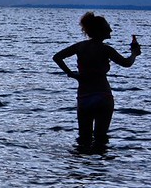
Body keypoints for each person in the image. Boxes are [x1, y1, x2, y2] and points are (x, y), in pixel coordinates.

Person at [53, 12, 141, 149]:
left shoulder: (80, 46)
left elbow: (57, 57)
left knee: (84, 139)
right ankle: (99, 168)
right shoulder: (106, 49)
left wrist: (72, 74)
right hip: (103, 96)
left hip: (84, 96)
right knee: (101, 139)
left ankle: (83, 166)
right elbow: (126, 63)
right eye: (108, 27)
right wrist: (134, 54)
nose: (111, 30)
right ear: (100, 31)